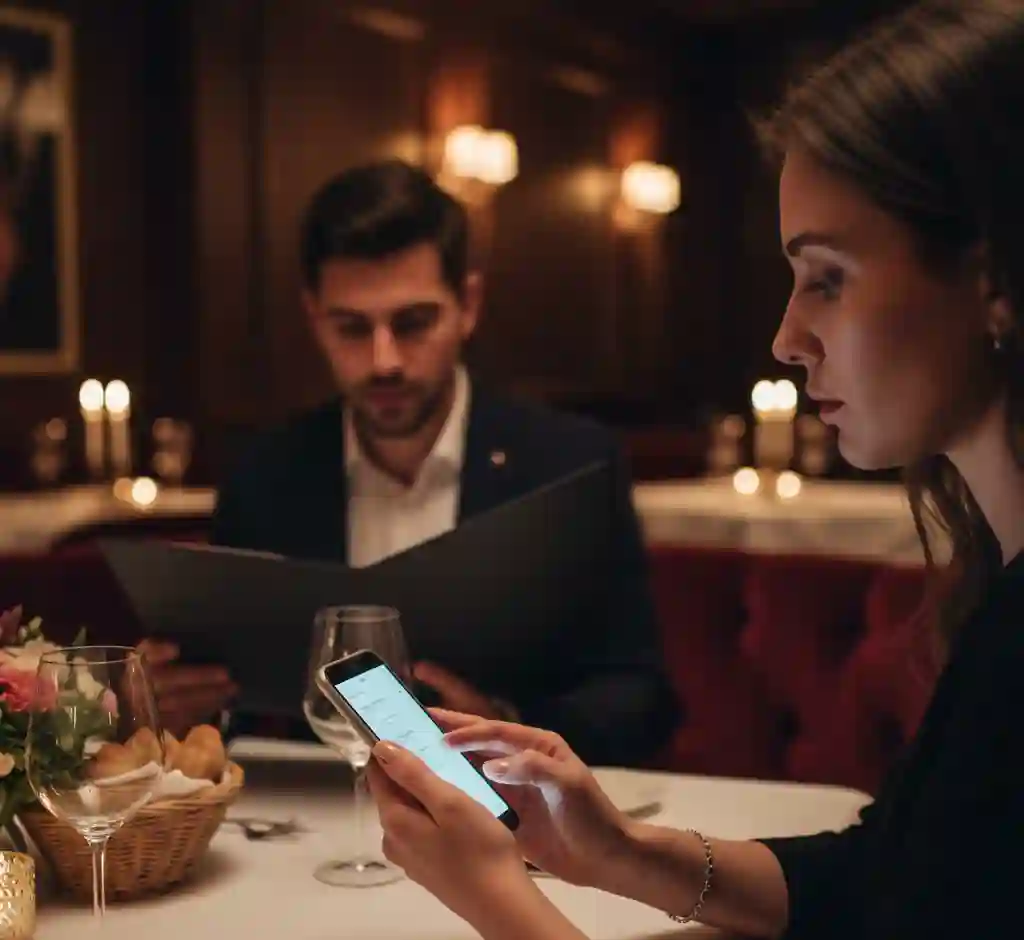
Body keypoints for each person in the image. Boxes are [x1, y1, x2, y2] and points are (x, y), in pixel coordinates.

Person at [364, 2, 1024, 937]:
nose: (787, 338)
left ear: (994, 277)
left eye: (828, 278)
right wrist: (616, 852)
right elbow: (893, 876)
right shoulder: (998, 587)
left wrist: (495, 897)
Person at [141, 159, 679, 767]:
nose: (384, 360)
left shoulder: (569, 462)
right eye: (351, 328)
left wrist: (513, 726)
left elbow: (642, 695)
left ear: (468, 305)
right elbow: (236, 698)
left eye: (413, 322)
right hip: (317, 826)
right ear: (314, 316)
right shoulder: (266, 476)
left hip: (510, 820)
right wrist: (182, 705)